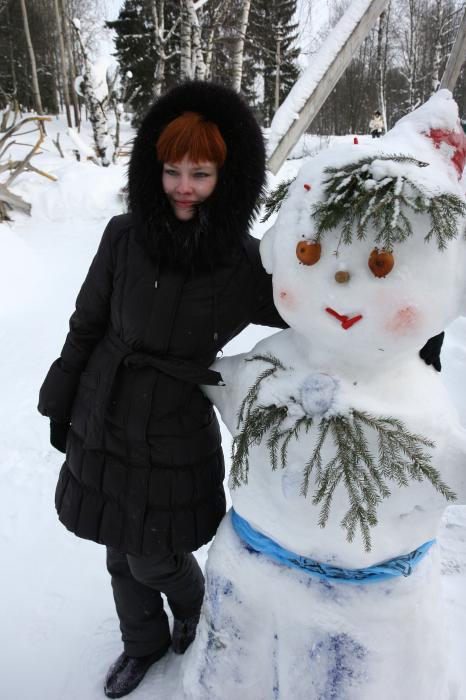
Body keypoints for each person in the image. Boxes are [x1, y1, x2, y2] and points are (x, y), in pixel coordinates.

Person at [37, 80, 288, 699]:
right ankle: (142, 643)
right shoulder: (124, 236)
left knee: (151, 552)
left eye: (200, 173)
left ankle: (195, 603)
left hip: (174, 427)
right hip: (106, 408)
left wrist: (400, 318)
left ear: (226, 177)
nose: (183, 186)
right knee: (117, 548)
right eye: (172, 170)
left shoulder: (243, 263)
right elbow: (87, 323)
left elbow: (313, 306)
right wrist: (62, 396)